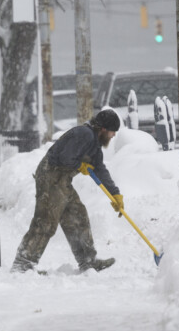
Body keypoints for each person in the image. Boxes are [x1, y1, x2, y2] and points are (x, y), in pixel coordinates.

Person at [11, 109, 124, 274]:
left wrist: (115, 193)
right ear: (104, 129)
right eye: (113, 132)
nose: (113, 136)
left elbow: (99, 168)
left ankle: (88, 262)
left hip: (62, 180)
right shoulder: (84, 134)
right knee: (46, 221)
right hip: (50, 175)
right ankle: (23, 264)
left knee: (77, 216)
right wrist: (80, 166)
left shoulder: (94, 144)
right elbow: (65, 157)